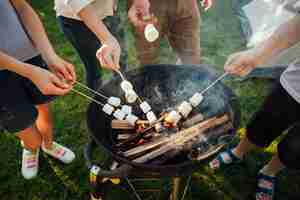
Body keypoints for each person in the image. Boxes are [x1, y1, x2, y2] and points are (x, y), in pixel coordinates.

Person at [209, 15, 300, 200]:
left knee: (296, 148)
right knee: (263, 124)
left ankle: (270, 171)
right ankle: (238, 152)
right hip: (296, 86)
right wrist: (256, 56)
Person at [0, 0, 76, 179]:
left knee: (44, 108)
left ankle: (48, 144)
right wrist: (30, 73)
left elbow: (22, 6)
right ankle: (31, 147)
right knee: (25, 128)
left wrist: (49, 55)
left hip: (30, 54)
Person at [55, 0, 122, 89]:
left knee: (119, 59)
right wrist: (107, 38)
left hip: (108, 9)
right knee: (93, 67)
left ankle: (123, 89)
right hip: (76, 18)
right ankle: (99, 98)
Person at [127, 0, 215, 65]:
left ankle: (184, 86)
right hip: (148, 5)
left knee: (191, 59)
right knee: (147, 58)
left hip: (186, 3)